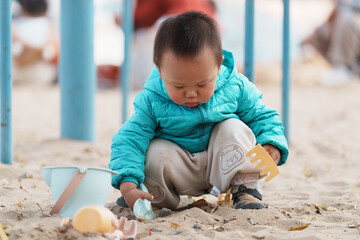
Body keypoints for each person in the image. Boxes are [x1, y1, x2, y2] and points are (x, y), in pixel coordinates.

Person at [109, 11, 289, 212]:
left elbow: (262, 114)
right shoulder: (152, 99)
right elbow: (129, 139)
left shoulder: (235, 85)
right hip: (181, 168)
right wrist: (128, 183)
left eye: (202, 84)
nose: (191, 93)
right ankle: (153, 196)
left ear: (219, 66)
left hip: (227, 160)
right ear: (161, 71)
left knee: (233, 126)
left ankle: (244, 188)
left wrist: (272, 142)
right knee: (155, 150)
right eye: (179, 86)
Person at [302, 0, 360, 84]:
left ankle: (343, 67)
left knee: (347, 20)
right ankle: (341, 69)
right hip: (345, 16)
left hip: (353, 20)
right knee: (320, 33)